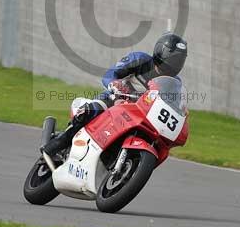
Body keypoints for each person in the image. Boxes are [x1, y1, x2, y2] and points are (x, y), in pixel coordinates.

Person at [41, 32, 188, 160]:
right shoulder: (141, 60)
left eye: (179, 60)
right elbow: (111, 73)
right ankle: (57, 145)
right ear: (161, 52)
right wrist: (114, 84)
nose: (175, 64)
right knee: (91, 111)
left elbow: (173, 108)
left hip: (141, 117)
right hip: (115, 100)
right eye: (173, 59)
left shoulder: (174, 83)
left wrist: (182, 113)